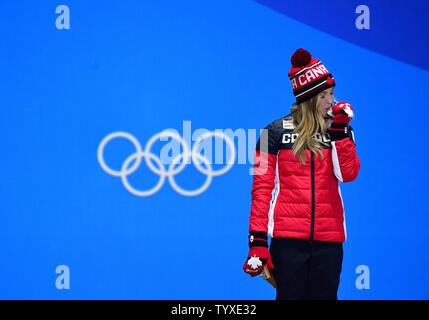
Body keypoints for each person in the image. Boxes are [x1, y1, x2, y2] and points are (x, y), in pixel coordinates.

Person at [243, 48, 360, 300]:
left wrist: (340, 133)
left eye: (332, 93)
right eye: (325, 95)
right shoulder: (271, 133)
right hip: (288, 243)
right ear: (309, 98)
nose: (333, 101)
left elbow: (349, 174)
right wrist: (258, 241)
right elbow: (261, 191)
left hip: (330, 243)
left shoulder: (341, 130)